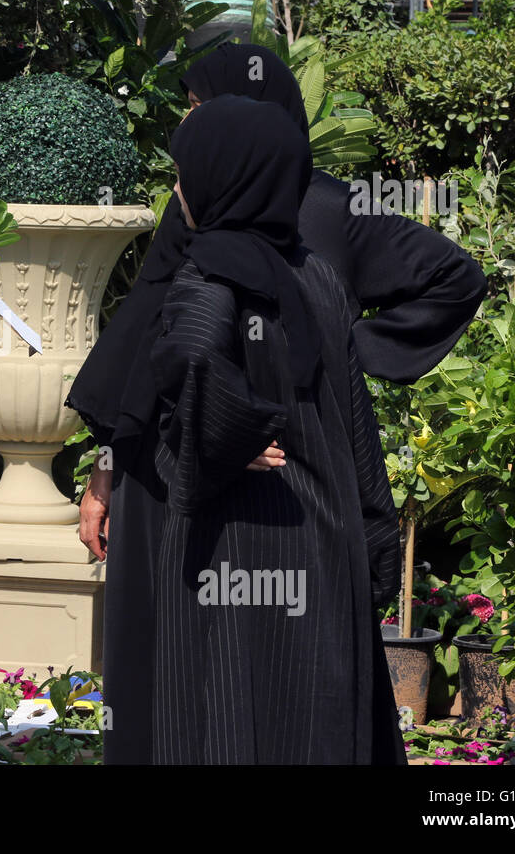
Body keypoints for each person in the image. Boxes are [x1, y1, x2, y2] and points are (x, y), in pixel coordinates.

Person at [66, 43, 486, 764]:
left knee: (217, 686)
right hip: (222, 481)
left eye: (204, 111)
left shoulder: (277, 220)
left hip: (221, 489)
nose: (195, 128)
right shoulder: (233, 226)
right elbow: (141, 348)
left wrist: (255, 411)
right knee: (280, 685)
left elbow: (187, 345)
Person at [154, 93, 400, 762]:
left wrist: (220, 441)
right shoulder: (315, 275)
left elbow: (196, 352)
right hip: (325, 539)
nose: (177, 191)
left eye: (184, 173)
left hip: (239, 540)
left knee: (230, 717)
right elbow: (357, 422)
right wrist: (374, 540)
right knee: (314, 723)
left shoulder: (209, 276)